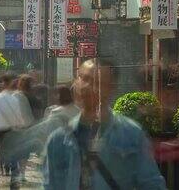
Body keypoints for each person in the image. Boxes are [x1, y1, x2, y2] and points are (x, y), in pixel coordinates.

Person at [43, 59, 166, 189]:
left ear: (111, 88)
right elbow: (50, 185)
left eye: (96, 82)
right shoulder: (58, 140)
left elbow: (152, 184)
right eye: (82, 78)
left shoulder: (131, 134)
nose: (85, 87)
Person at [0, 72, 27, 189]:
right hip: (11, 130)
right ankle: (14, 179)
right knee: (13, 155)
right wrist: (20, 126)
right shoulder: (14, 99)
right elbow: (18, 117)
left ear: (4, 83)